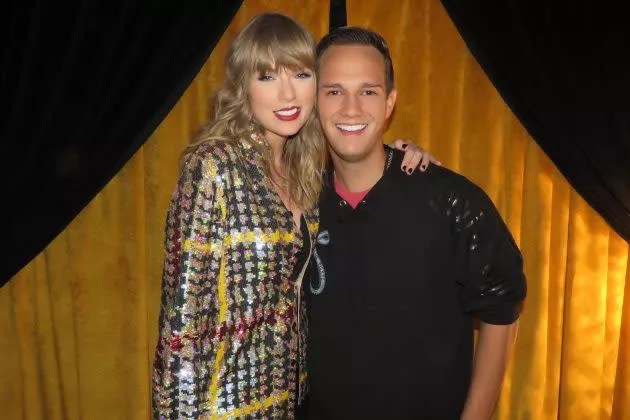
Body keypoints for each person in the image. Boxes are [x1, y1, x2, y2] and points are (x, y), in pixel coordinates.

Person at [151, 14, 434, 419]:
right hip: (224, 407)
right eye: (266, 76)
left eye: (300, 74)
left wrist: (403, 158)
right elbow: (180, 326)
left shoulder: (305, 172)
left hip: (293, 401)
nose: (287, 93)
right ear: (243, 88)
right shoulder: (214, 167)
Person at [305, 27, 527, 419]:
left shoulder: (450, 201)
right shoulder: (299, 205)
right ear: (313, 102)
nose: (351, 109)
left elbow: (501, 311)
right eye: (334, 91)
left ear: (389, 102)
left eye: (368, 91)